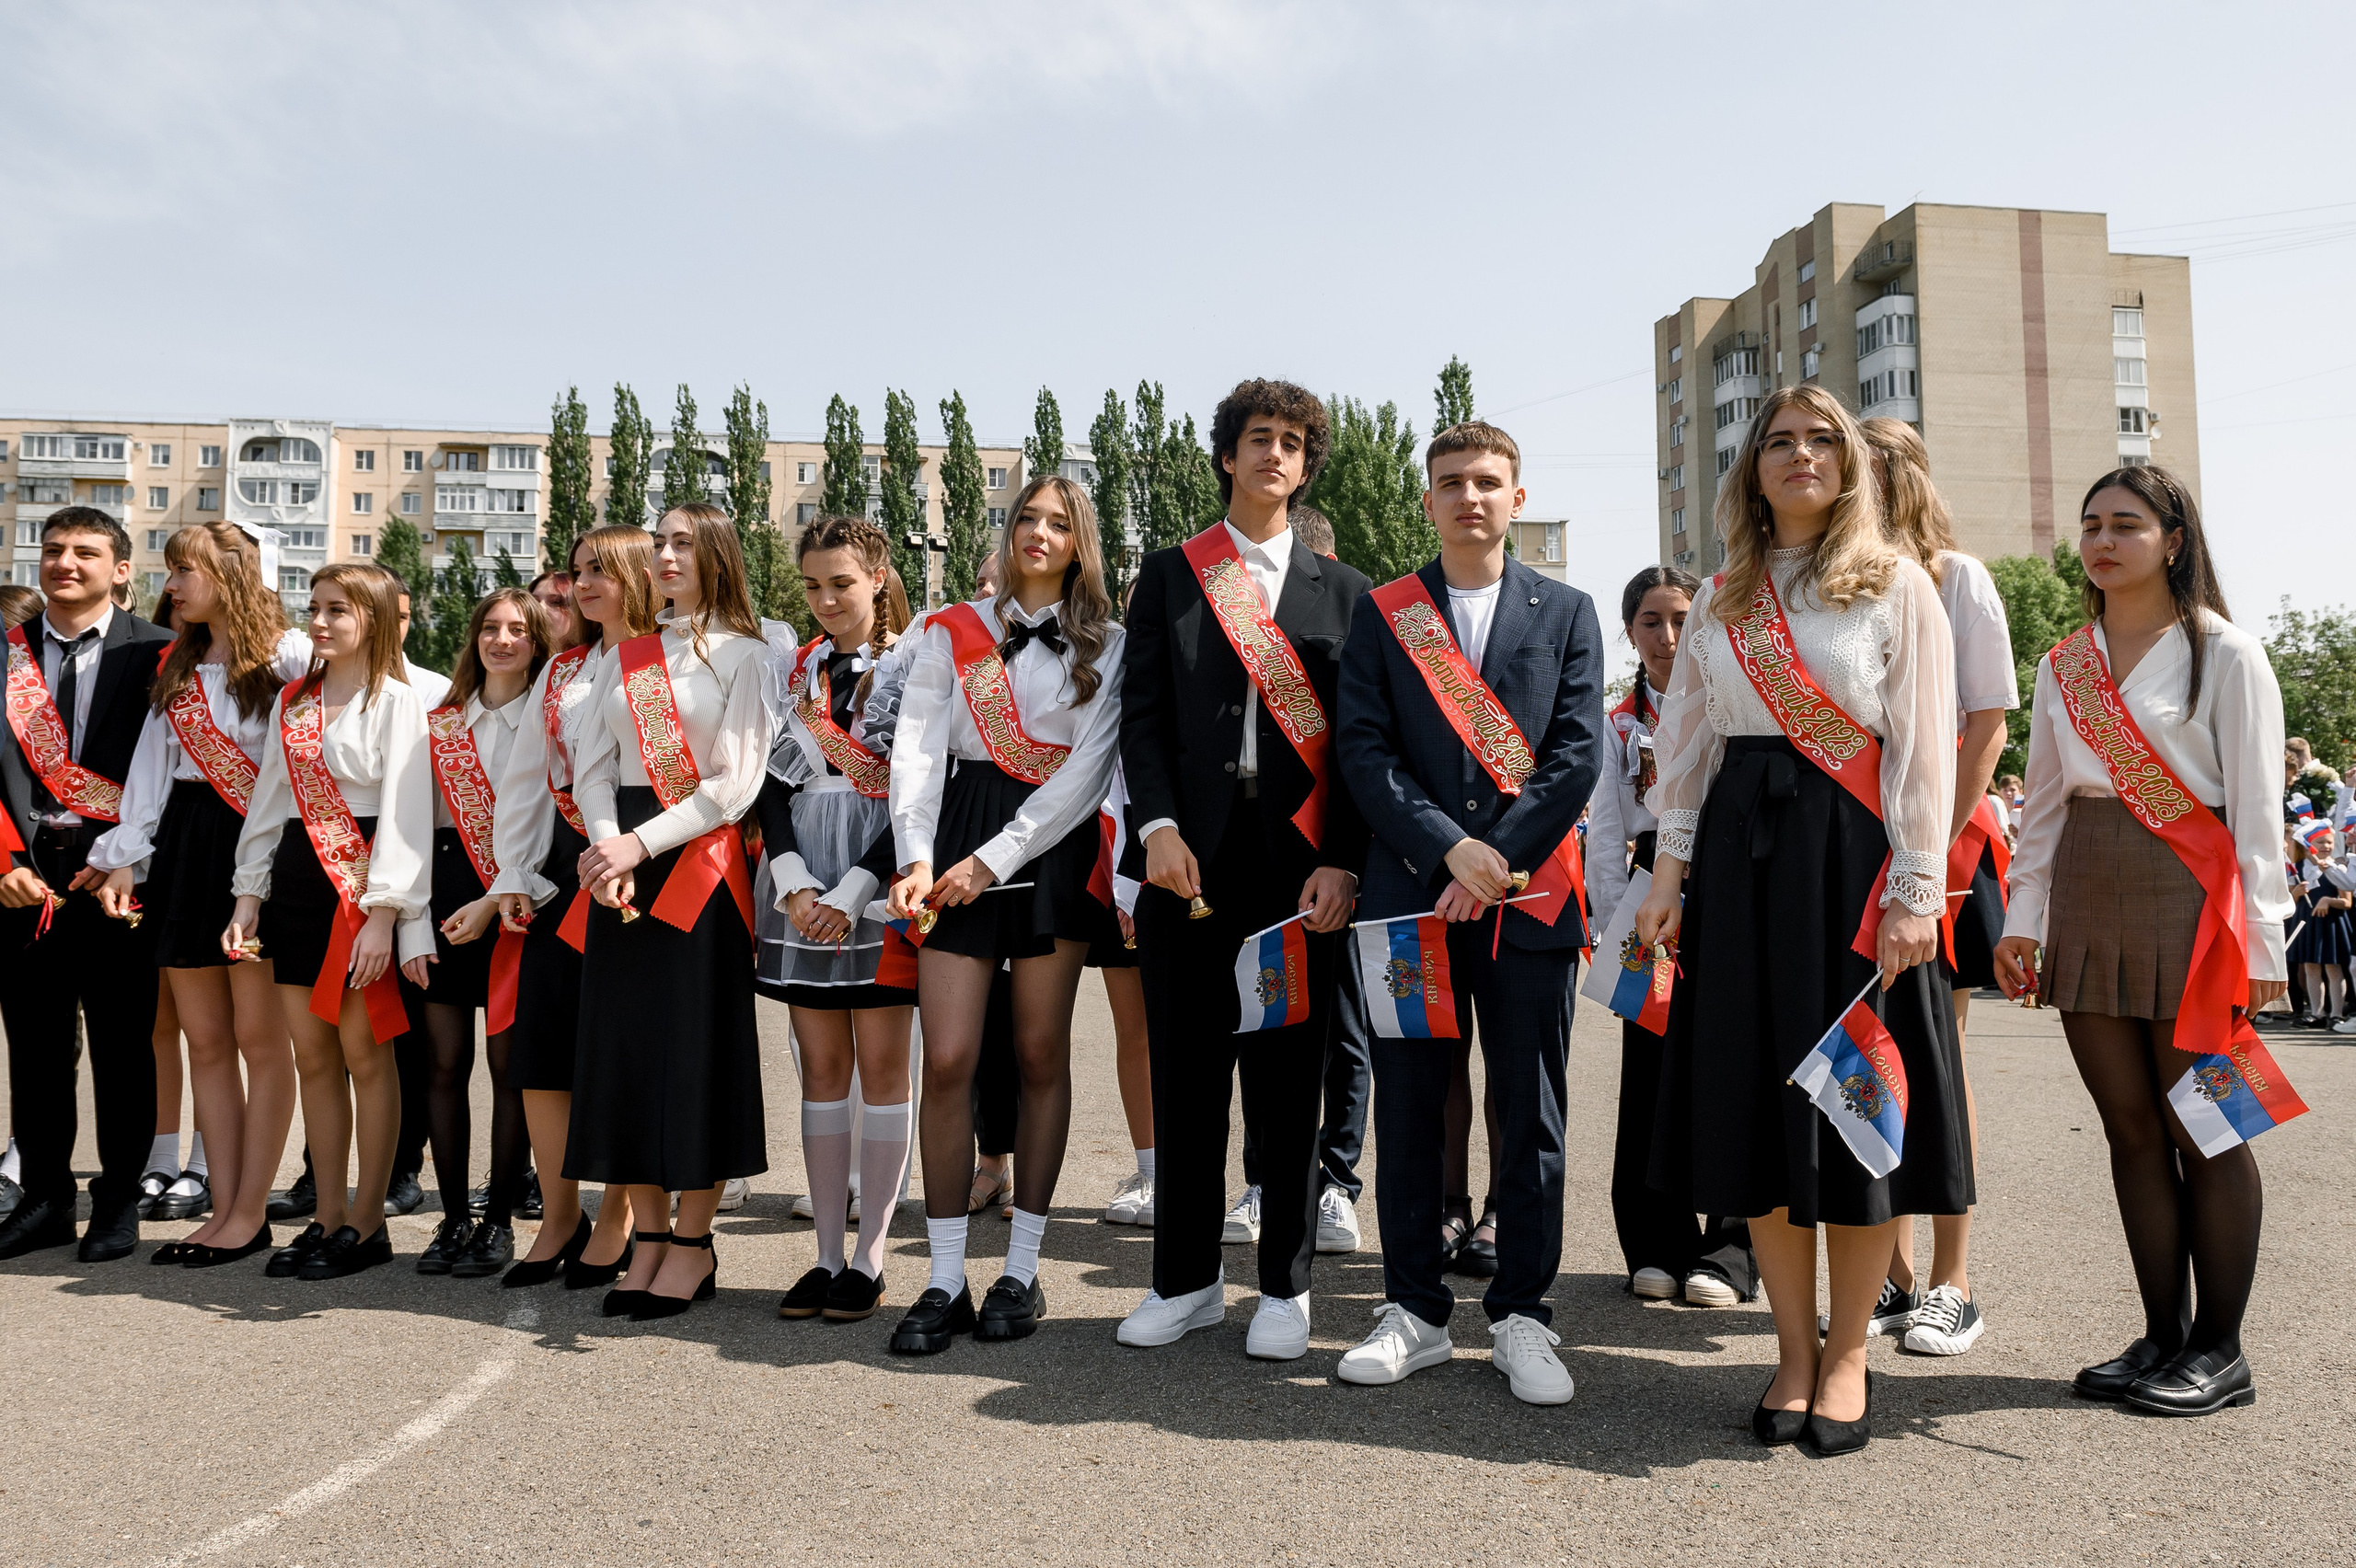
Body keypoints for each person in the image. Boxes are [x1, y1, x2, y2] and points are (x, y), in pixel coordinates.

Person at [1637, 385, 1970, 1456]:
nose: (1801, 456)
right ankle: (1790, 1348)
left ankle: (1848, 1356)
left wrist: (1917, 893)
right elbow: (1685, 742)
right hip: (1737, 862)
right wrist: (1665, 878)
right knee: (1753, 1112)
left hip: (1850, 864)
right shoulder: (1726, 596)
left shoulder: (1897, 585)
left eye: (1823, 439)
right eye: (1778, 442)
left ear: (1852, 465)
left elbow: (1924, 745)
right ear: (1752, 469)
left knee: (1853, 1110)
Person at [1995, 465, 2290, 1416]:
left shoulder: (2224, 653)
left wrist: (2264, 942)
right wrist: (2023, 918)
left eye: (2126, 524)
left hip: (2191, 899)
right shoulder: (2062, 663)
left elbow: (2253, 815)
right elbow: (2037, 806)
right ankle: (2162, 1333)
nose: (2101, 540)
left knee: (2202, 1125)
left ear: (2172, 540)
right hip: (2086, 884)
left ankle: (2221, 1347)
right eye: (2090, 525)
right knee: (2128, 1130)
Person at [1332, 420, 1601, 1405]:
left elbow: (1575, 755)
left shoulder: (1567, 610)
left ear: (1517, 499)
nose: (1469, 497)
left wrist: (1498, 859)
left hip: (1529, 904)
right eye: (1450, 482)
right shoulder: (1384, 612)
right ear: (1427, 500)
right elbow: (1361, 749)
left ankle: (1524, 1315)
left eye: (1487, 481)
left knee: (1527, 1112)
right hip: (1412, 897)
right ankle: (1412, 1309)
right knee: (1408, 1105)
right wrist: (1446, 847)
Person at [1112, 378, 1369, 1362]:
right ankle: (1183, 1282)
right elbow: (1140, 719)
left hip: (1294, 869)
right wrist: (1156, 827)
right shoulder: (1172, 575)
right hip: (1189, 863)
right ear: (1227, 455)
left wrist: (1343, 861)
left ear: (1307, 465)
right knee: (1187, 1075)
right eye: (1257, 438)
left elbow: (1355, 747)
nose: (1274, 454)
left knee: (1287, 1078)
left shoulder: (1344, 593)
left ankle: (1284, 1289)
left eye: (1293, 443)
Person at [883, 474, 1125, 1353]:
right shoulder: (951, 631)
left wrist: (995, 861)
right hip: (956, 836)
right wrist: (919, 857)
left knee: (1036, 1052)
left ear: (1079, 542)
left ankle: (1021, 1267)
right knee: (946, 1058)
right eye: (1027, 516)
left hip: (1045, 850)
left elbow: (1086, 773)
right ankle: (945, 1274)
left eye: (1060, 523)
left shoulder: (1111, 642)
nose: (1040, 532)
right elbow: (914, 749)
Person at [84, 523, 309, 1267]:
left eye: (185, 571)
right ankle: (220, 1210)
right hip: (184, 846)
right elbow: (150, 774)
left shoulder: (289, 656)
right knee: (206, 1039)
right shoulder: (179, 660)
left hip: (254, 850)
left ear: (232, 576)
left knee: (258, 1040)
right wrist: (124, 859)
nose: (172, 586)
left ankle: (250, 1209)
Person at [570, 503, 770, 1320]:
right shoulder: (630, 656)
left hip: (696, 872)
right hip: (623, 871)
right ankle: (646, 1238)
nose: (666, 555)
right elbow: (594, 765)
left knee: (693, 1057)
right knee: (623, 1056)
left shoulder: (746, 656)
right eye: (660, 544)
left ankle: (693, 1241)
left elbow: (735, 783)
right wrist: (606, 851)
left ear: (718, 553)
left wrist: (637, 848)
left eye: (684, 543)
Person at [225, 563, 433, 1279]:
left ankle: (369, 1222)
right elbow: (271, 801)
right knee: (312, 1056)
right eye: (314, 608)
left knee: (365, 1055)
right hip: (299, 886)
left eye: (337, 610)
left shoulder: (399, 702)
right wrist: (248, 894)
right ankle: (327, 1217)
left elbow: (408, 814)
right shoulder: (295, 698)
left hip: (363, 888)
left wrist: (383, 916)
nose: (318, 621)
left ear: (372, 619)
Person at [1864, 415, 2018, 1357]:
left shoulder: (1957, 577)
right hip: (1851, 839)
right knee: (1864, 1052)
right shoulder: (1832, 579)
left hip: (1941, 848)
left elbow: (1987, 720)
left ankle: (1954, 1282)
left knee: (1936, 1065)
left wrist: (1936, 837)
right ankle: (1890, 1272)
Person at [0, 507, 175, 1262]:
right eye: (54, 550)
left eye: (86, 552)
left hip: (119, 879)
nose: (66, 563)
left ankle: (118, 1201)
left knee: (123, 1047)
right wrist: (1, 860)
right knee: (35, 1049)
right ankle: (44, 1199)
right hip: (23, 881)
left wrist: (131, 855)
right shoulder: (3, 654)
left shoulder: (165, 654)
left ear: (123, 569)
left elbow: (178, 776)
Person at [1585, 563, 1758, 1309]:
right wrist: (1612, 924)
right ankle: (1655, 1242)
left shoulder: (1740, 702)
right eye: (1651, 621)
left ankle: (1730, 1252)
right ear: (1630, 631)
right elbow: (1604, 834)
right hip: (1648, 901)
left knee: (1734, 1068)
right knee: (1651, 1074)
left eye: (1684, 619)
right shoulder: (1616, 723)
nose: (1669, 636)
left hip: (1732, 889)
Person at [757, 515, 918, 1325]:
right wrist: (790, 882)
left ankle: (871, 1256)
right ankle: (823, 1254)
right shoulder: (798, 670)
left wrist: (856, 888)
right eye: (813, 585)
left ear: (879, 576)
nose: (825, 599)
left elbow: (920, 788)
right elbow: (771, 784)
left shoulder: (915, 663)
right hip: (800, 883)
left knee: (883, 1066)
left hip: (881, 878)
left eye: (842, 583)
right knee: (820, 1069)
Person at [490, 525, 657, 1289]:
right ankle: (561, 1216)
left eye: (601, 572)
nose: (583, 586)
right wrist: (512, 873)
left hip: (642, 861)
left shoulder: (664, 660)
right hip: (563, 869)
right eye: (577, 572)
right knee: (543, 1053)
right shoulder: (559, 672)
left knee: (621, 1052)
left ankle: (620, 1215)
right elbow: (525, 780)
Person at [412, 588, 550, 1278]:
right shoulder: (441, 723)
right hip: (445, 894)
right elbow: (413, 826)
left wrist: (502, 897)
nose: (502, 640)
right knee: (441, 1066)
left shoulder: (547, 717)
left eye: (519, 630)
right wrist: (411, 923)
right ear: (473, 638)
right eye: (491, 628)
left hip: (516, 901)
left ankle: (498, 1218)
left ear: (537, 642)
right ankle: (451, 1219)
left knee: (509, 1072)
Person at [2285, 819, 2351, 1027]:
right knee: (2310, 967)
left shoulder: (2337, 867)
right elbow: (2287, 902)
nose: (2326, 846)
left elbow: (2347, 902)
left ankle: (2336, 1013)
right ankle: (2317, 1012)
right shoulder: (2298, 869)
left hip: (2331, 923)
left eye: (2329, 842)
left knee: (2333, 968)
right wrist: (2295, 894)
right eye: (2320, 842)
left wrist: (2328, 900)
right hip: (2307, 921)